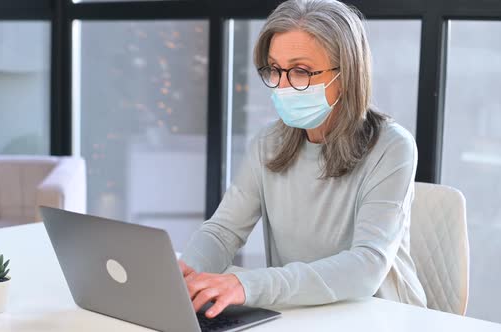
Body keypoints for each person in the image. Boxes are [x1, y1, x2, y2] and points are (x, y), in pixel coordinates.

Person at [179, 0, 427, 319]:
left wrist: (246, 284)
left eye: (301, 71)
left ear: (347, 73)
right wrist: (184, 274)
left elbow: (366, 266)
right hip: (301, 313)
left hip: (382, 315)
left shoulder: (393, 147)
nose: (283, 86)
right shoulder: (269, 142)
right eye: (274, 69)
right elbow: (223, 230)